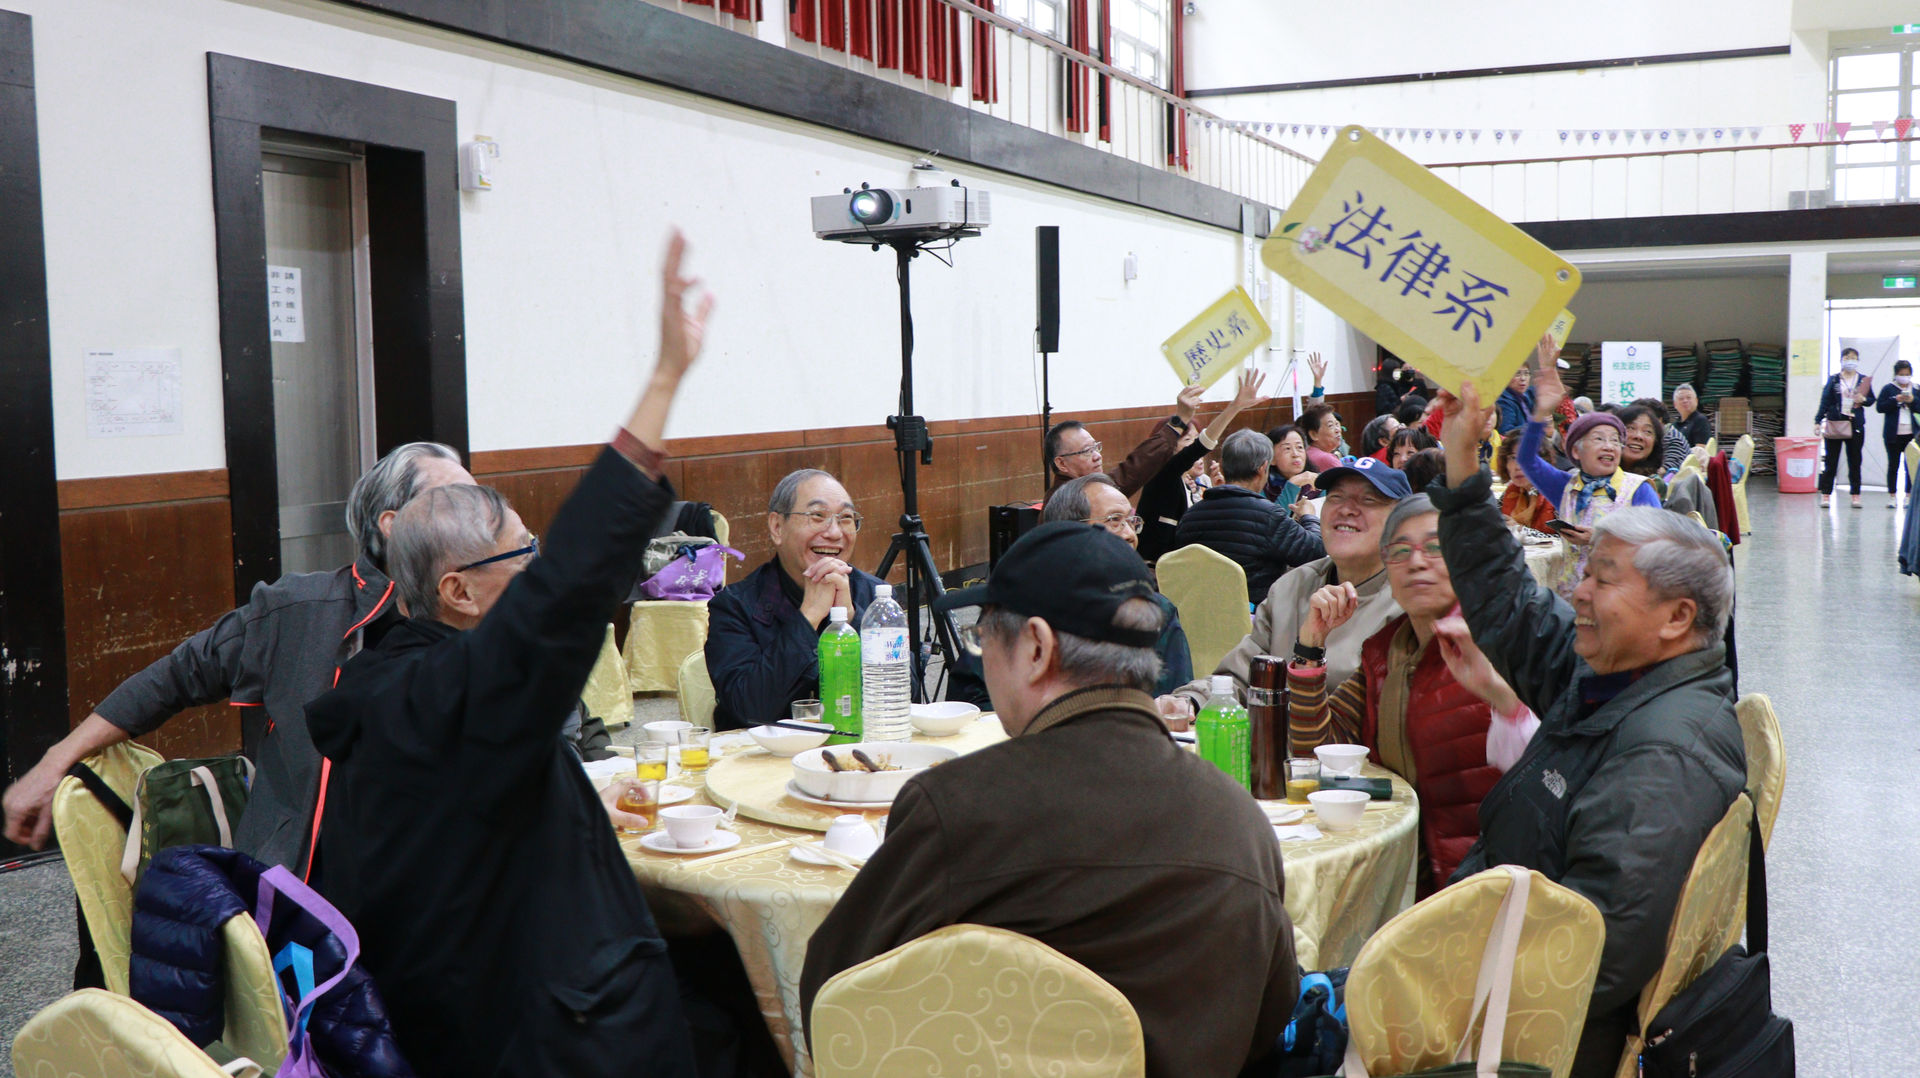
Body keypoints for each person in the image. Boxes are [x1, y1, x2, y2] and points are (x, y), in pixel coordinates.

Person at [307, 234, 712, 1078]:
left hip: (452, 1004)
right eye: (517, 558)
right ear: (457, 591)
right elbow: (566, 592)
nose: (533, 572)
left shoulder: (388, 675)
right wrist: (666, 378)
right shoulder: (455, 693)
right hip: (530, 1036)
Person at [800, 522, 1299, 1077]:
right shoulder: (1237, 817)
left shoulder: (957, 806)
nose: (981, 658)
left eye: (984, 636)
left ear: (1036, 648)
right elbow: (1271, 1015)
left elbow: (832, 998)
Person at [1430, 381, 1745, 1078]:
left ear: (1676, 618)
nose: (1577, 590)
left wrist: (1446, 992)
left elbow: (1593, 949)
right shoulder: (1613, 676)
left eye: (1602, 579)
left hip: (1536, 1037)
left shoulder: (1665, 752)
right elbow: (1511, 603)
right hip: (1494, 945)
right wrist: (1460, 471)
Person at [1, 441, 471, 872]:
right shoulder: (300, 609)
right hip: (307, 885)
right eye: (457, 502)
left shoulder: (488, 611)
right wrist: (53, 763)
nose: (481, 517)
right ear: (393, 527)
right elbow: (175, 676)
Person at [1287, 495, 1526, 896]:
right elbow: (1320, 755)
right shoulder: (1386, 650)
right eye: (1400, 551)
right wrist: (1310, 646)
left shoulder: (1504, 644)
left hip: (1491, 887)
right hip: (1404, 880)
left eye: (1436, 547)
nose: (1416, 562)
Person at [1155, 460, 1409, 724]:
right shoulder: (1292, 586)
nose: (1346, 509)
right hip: (1283, 754)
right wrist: (1191, 699)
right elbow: (1243, 674)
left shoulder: (1409, 602)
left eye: (1368, 500)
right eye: (1336, 497)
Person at [951, 474, 1197, 710]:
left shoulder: (1153, 611)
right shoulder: (1017, 604)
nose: (1130, 535)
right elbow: (967, 698)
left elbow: (1172, 705)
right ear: (1067, 531)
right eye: (1114, 520)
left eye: (1132, 522)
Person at [705, 469, 884, 728]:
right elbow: (748, 710)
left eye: (846, 518)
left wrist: (851, 622)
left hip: (854, 753)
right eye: (818, 516)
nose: (834, 533)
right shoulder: (735, 606)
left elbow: (904, 696)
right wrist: (808, 617)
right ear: (777, 527)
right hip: (769, 762)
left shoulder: (873, 594)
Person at [1516, 338, 1660, 598]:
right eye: (1599, 439)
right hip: (1572, 599)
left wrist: (1600, 537)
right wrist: (1539, 414)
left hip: (1621, 600)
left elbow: (1658, 545)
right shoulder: (1567, 486)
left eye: (1616, 441)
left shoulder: (1638, 489)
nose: (1609, 447)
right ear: (1575, 452)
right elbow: (1526, 460)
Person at [1173, 430, 1326, 602]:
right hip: (1257, 619)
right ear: (1263, 468)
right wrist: (1308, 517)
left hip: (1201, 617)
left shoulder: (1190, 517)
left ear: (1222, 466)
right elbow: (1316, 552)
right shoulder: (1268, 515)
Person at [1134, 368, 1267, 561]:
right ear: (1170, 448)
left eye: (1194, 440)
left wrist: (1219, 496)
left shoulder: (1198, 482)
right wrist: (1234, 407)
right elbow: (1203, 444)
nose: (1196, 453)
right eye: (1188, 441)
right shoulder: (1162, 476)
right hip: (1156, 572)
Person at [1047, 384, 1205, 496]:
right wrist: (1179, 420)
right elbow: (1133, 469)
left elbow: (1131, 470)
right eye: (1087, 451)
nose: (1097, 456)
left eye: (1096, 448)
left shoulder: (1094, 487)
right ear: (1061, 463)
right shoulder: (1068, 499)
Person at [1815, 348, 1874, 508]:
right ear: (1841, 360)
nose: (1850, 361)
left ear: (1858, 361)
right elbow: (1825, 401)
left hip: (1855, 425)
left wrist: (1863, 399)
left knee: (1855, 460)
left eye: (1854, 358)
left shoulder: (1863, 380)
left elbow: (1871, 400)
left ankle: (1855, 494)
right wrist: (1818, 420)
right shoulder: (1834, 380)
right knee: (1831, 461)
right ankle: (1826, 494)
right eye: (1847, 357)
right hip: (1835, 424)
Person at [1876, 360, 1918, 507]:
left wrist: (1912, 401)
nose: (1904, 377)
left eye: (1907, 375)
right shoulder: (1888, 389)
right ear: (1896, 375)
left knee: (1910, 466)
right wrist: (1896, 400)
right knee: (1893, 465)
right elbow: (1880, 407)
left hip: (1911, 434)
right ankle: (1892, 496)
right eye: (1901, 374)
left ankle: (1908, 496)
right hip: (1893, 434)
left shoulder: (1916, 389)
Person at [1495, 436, 1553, 532]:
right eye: (1512, 458)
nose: (1518, 466)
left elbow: (1569, 539)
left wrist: (1521, 530)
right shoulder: (1511, 491)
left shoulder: (1559, 494)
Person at [1264, 424, 1317, 512]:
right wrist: (1292, 485)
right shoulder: (1264, 486)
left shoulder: (1316, 482)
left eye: (1299, 447)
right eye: (1287, 449)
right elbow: (1274, 520)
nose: (1295, 454)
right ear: (1272, 458)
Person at [1299, 402, 1346, 473]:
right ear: (1313, 434)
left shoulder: (1308, 454)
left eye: (1337, 424)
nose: (1338, 430)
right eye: (1330, 425)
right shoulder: (1327, 459)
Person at [1493, 364, 1534, 436]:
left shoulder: (1526, 395)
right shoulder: (1503, 402)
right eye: (1517, 374)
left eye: (1526, 373)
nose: (1523, 378)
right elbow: (1506, 432)